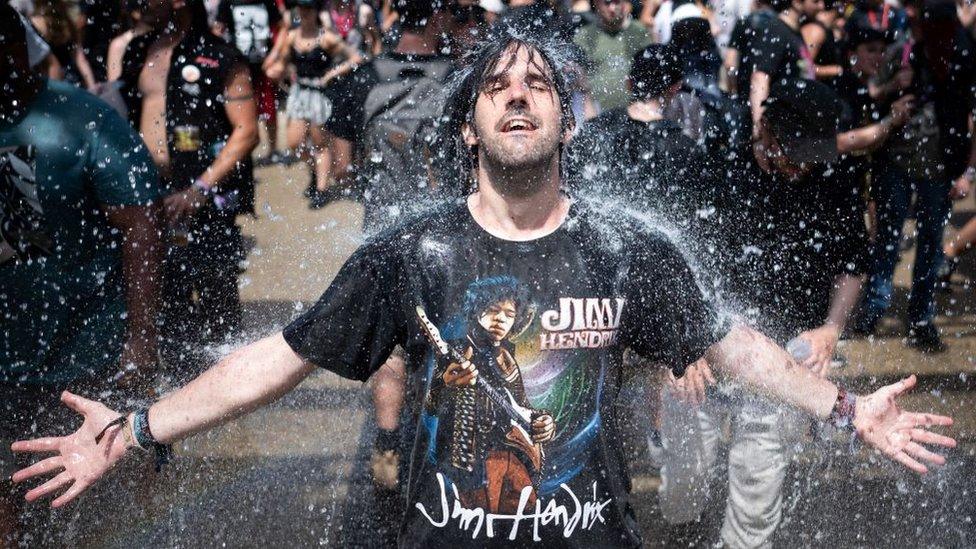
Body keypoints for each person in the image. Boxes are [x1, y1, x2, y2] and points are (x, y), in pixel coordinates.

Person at [10, 29, 955, 547]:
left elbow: (729, 345)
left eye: (537, 85)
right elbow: (277, 359)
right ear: (468, 125)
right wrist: (136, 429)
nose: (516, 96)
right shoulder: (410, 254)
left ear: (565, 122)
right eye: (496, 87)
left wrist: (847, 409)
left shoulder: (629, 249)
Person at [659, 77, 917, 548]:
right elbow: (675, 264)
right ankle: (678, 525)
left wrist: (832, 329)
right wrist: (682, 345)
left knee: (760, 470)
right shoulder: (717, 173)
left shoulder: (833, 178)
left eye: (809, 158)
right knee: (685, 475)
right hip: (705, 344)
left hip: (786, 349)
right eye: (791, 155)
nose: (800, 168)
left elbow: (851, 263)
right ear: (765, 132)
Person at [0, 8, 165, 543]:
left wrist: (140, 341)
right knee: (11, 502)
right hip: (6, 363)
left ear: (15, 52)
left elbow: (142, 226)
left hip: (80, 356)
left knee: (87, 506)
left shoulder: (85, 120)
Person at [118, 0, 259, 375]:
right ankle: (174, 401)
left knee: (218, 308)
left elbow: (246, 132)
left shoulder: (222, 57)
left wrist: (200, 188)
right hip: (148, 200)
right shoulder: (136, 51)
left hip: (206, 204)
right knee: (164, 307)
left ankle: (229, 398)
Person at [854, 0, 976, 352]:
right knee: (889, 238)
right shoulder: (903, 51)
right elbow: (870, 93)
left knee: (929, 244)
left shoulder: (963, 57)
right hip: (896, 162)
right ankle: (874, 306)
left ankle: (921, 316)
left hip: (939, 167)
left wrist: (966, 171)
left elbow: (970, 116)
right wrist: (895, 85)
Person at [264, 0, 363, 207]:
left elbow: (355, 58)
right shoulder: (292, 36)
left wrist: (332, 74)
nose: (304, 11)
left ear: (315, 10)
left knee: (320, 144)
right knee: (294, 144)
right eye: (301, 7)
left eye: (308, 7)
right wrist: (276, 71)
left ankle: (321, 189)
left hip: (319, 94)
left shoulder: (326, 37)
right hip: (299, 94)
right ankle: (316, 171)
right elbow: (283, 62)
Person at [214, 0, 286, 165]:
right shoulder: (227, 4)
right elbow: (217, 31)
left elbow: (282, 28)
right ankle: (241, 154)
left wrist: (274, 56)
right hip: (238, 71)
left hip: (264, 66)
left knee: (269, 109)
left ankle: (273, 150)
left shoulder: (267, 3)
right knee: (240, 112)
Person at [574, 0, 652, 112]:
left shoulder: (639, 32)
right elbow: (578, 80)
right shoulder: (585, 36)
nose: (612, 8)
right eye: (607, 3)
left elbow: (651, 73)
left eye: (616, 2)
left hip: (635, 113)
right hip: (596, 114)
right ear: (596, 4)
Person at [30, 0, 98, 90]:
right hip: (73, 81)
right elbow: (80, 58)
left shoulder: (34, 22)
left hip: (52, 84)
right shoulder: (66, 21)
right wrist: (92, 85)